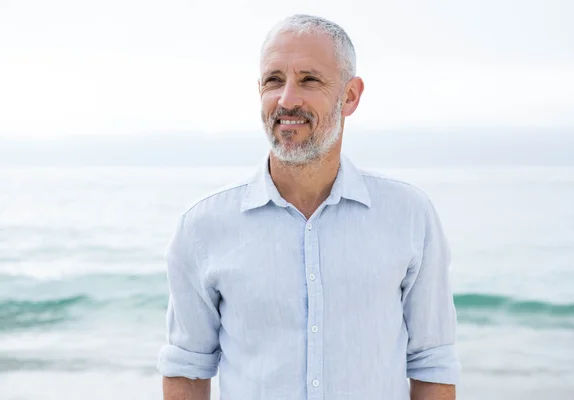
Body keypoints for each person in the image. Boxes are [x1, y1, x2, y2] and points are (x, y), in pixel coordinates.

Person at [157, 14, 460, 400]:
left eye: (309, 80)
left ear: (349, 96)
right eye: (273, 81)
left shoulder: (409, 215)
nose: (286, 99)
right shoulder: (202, 227)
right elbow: (186, 369)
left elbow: (432, 363)